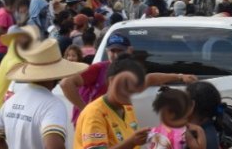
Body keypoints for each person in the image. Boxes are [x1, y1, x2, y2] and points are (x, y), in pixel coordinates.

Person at [60, 33, 194, 124]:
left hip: (111, 124)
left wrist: (180, 77)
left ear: (129, 51)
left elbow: (150, 79)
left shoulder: (131, 72)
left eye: (120, 51)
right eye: (112, 51)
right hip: (90, 124)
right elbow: (66, 83)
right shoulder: (98, 69)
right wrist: (86, 110)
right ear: (107, 51)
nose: (115, 55)